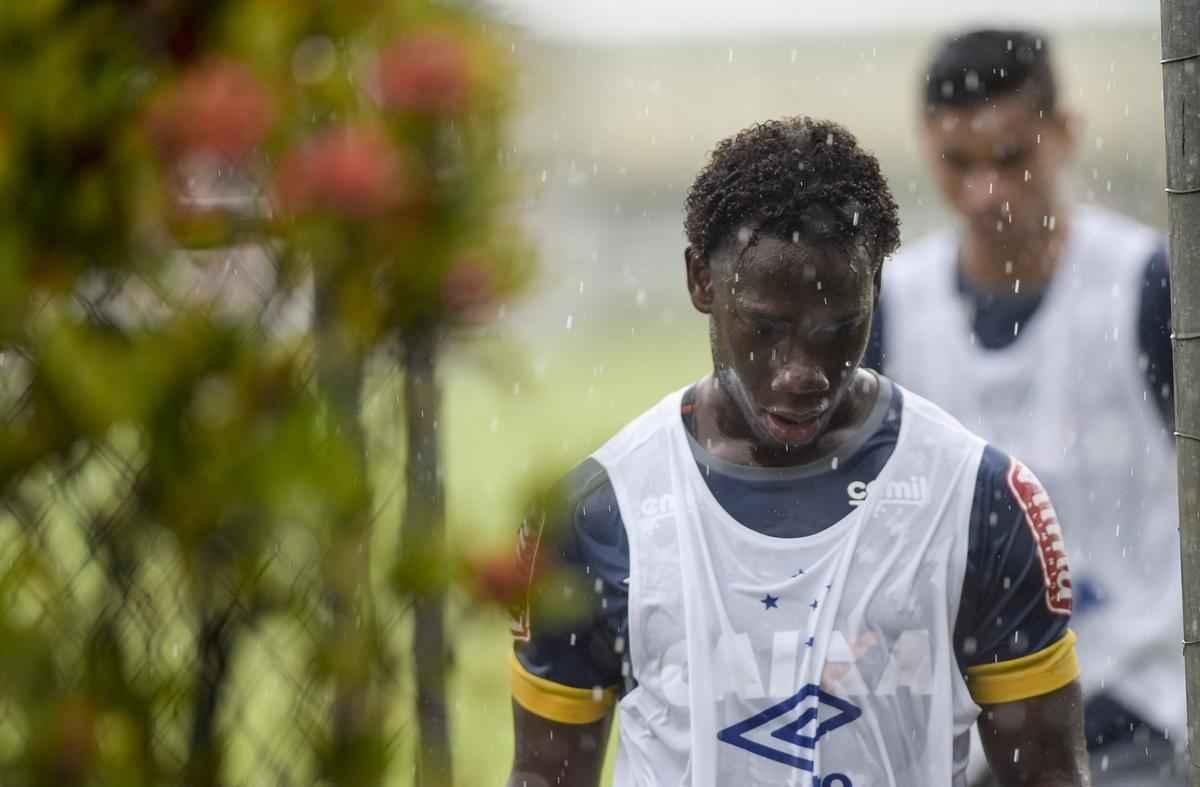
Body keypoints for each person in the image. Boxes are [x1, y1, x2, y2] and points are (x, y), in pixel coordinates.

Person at [506, 116, 1089, 787]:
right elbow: (545, 775)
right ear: (700, 280)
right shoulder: (599, 512)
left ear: (875, 289)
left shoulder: (975, 496)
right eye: (765, 328)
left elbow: (1048, 773)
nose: (801, 372)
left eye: (839, 329)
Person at [868, 28, 1184, 786]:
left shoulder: (1151, 286)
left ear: (1065, 135)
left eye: (1013, 159)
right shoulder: (889, 308)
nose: (987, 192)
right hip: (952, 729)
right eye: (959, 163)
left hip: (1135, 711)